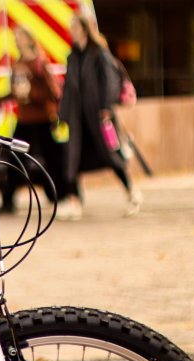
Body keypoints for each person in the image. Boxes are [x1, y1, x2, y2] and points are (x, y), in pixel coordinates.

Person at [58, 14, 140, 219]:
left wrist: (105, 107)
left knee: (111, 156)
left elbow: (111, 81)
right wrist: (63, 113)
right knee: (72, 158)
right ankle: (74, 201)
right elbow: (68, 87)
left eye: (74, 27)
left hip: (99, 115)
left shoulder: (99, 53)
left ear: (84, 29)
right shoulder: (73, 56)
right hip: (78, 116)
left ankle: (132, 192)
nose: (71, 31)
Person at [0, 26, 64, 213]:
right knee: (15, 159)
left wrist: (31, 94)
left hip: (41, 119)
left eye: (20, 37)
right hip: (25, 119)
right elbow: (15, 92)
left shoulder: (40, 63)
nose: (17, 41)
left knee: (52, 159)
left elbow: (54, 92)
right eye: (15, 38)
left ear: (29, 39)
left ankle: (61, 195)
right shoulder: (17, 64)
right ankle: (7, 202)